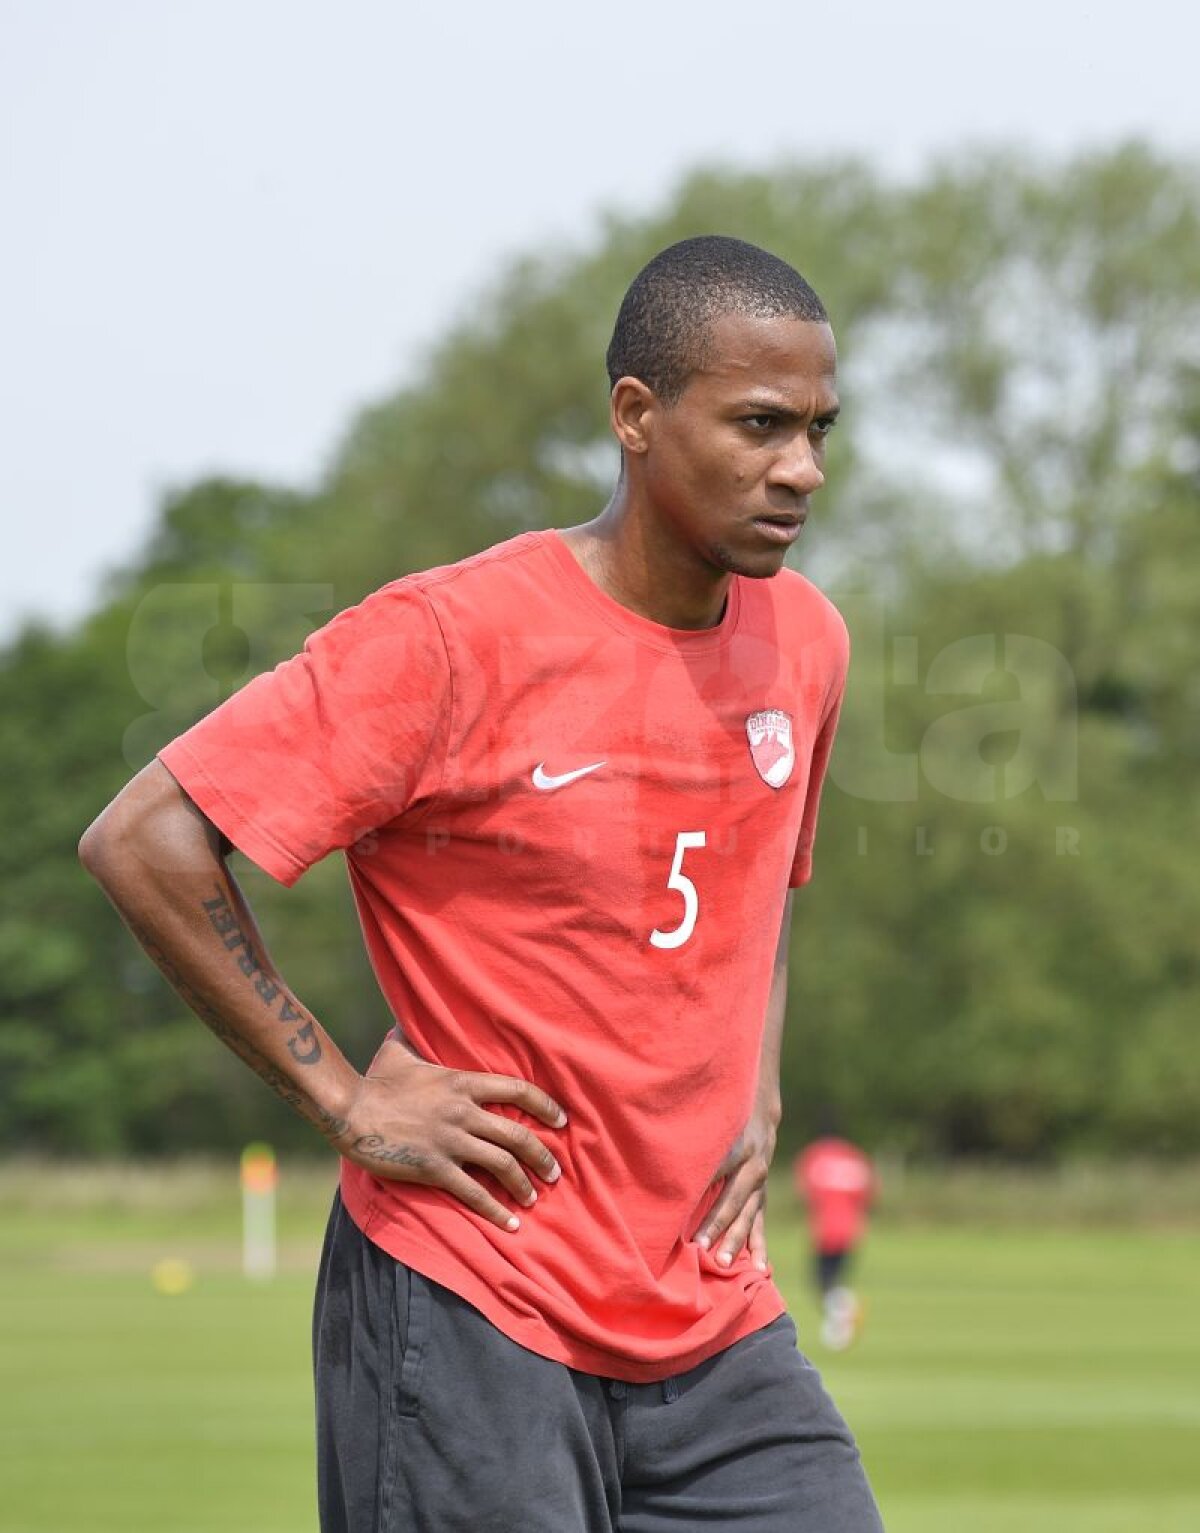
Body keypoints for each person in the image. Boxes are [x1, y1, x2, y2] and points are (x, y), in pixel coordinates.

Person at [80, 236, 884, 1532]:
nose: (803, 468)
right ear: (636, 415)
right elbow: (145, 837)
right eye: (760, 425)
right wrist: (342, 1097)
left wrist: (761, 1079)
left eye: (817, 429)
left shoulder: (808, 641)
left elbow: (765, 877)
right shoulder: (450, 639)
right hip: (470, 1300)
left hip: (710, 1312)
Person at [794, 1127, 876, 1351]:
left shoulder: (815, 1155)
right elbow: (869, 1194)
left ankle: (844, 1314)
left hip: (825, 1228)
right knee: (834, 1278)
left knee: (820, 1281)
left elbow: (804, 1191)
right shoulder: (855, 1157)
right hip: (852, 1229)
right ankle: (840, 1322)